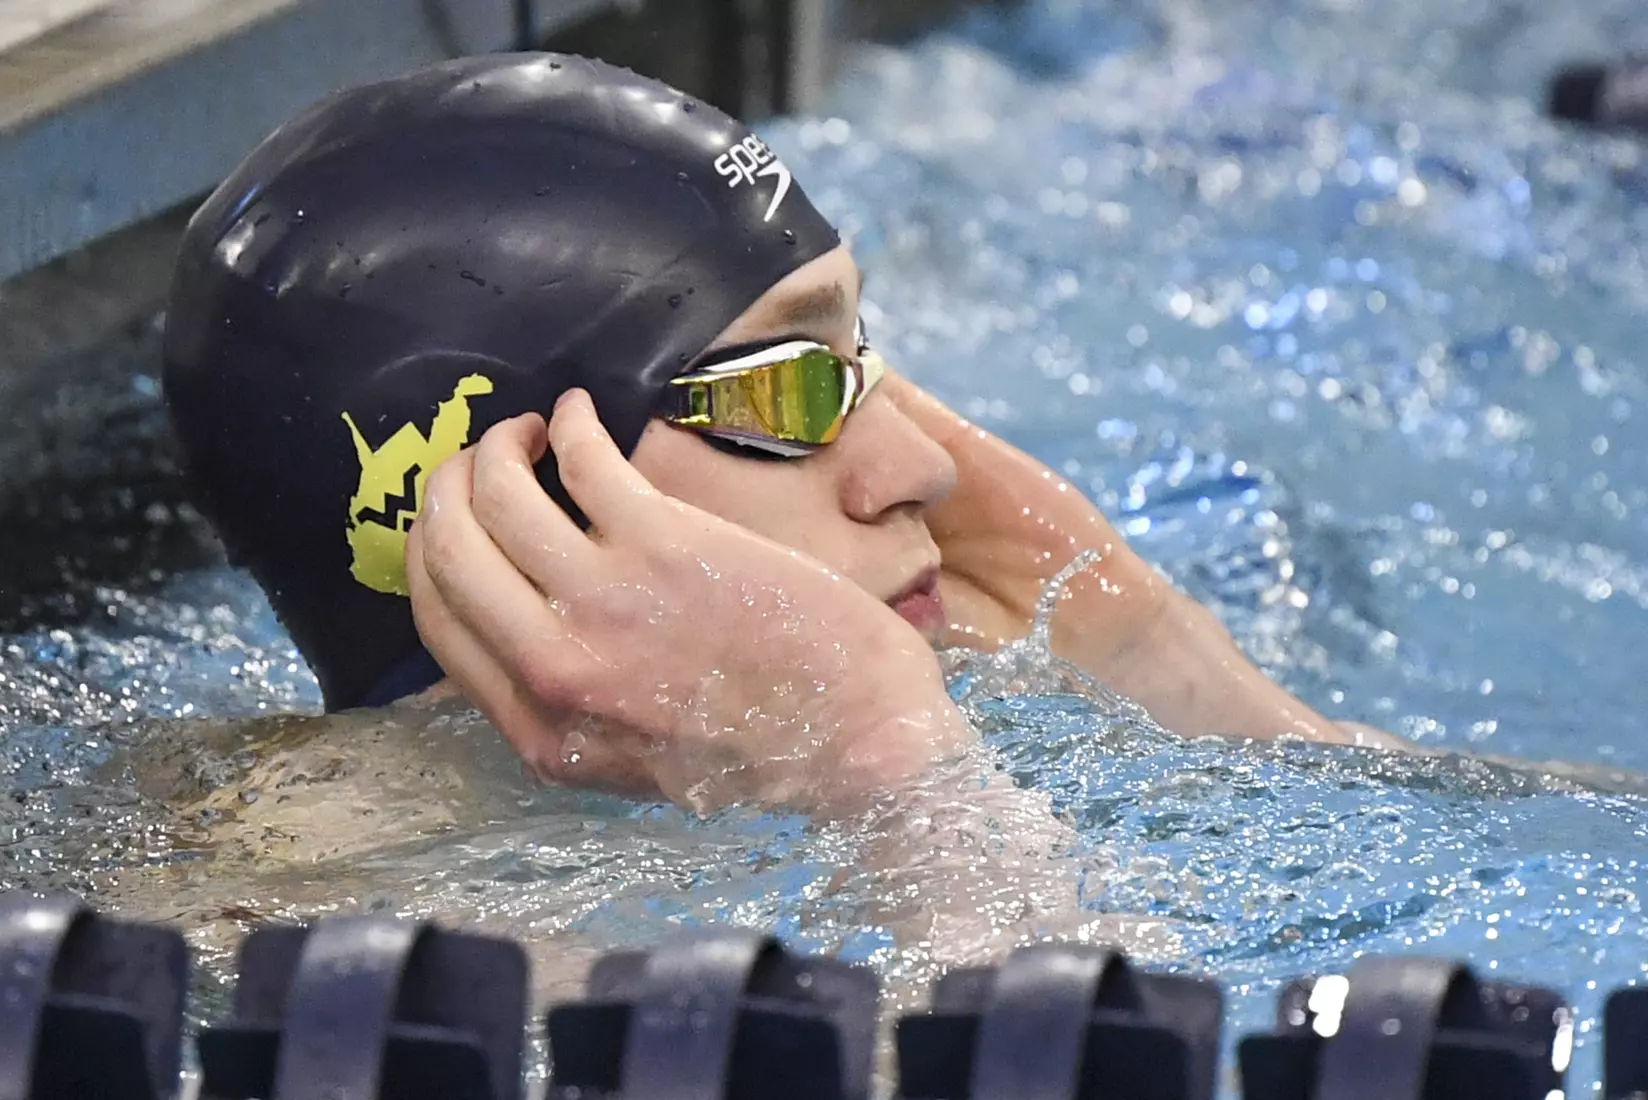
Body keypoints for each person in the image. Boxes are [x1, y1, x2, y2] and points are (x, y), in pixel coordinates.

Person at [162, 52, 1404, 822]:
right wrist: (883, 765)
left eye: (862, 362)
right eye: (782, 388)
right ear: (512, 506)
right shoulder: (325, 954)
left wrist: (1173, 673)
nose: (919, 469)